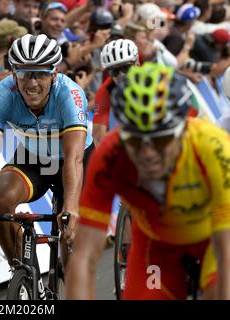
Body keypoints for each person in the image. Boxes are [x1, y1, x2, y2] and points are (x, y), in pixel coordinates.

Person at [65, 62, 230, 300]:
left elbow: (225, 251)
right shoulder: (110, 154)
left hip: (213, 242)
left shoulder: (214, 147)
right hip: (157, 248)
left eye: (161, 141)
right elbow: (84, 256)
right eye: (136, 141)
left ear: (184, 129)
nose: (149, 153)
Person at [0, 34, 93, 268]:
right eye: (24, 73)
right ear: (14, 73)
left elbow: (74, 159)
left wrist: (71, 208)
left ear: (54, 74)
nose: (32, 83)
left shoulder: (70, 94)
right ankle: (24, 275)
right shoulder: (2, 95)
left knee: (71, 254)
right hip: (33, 157)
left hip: (75, 159)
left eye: (41, 74)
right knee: (1, 198)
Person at [93, 39, 139, 146]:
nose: (121, 75)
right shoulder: (106, 89)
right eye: (114, 71)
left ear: (137, 63)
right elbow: (98, 138)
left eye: (126, 68)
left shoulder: (152, 79)